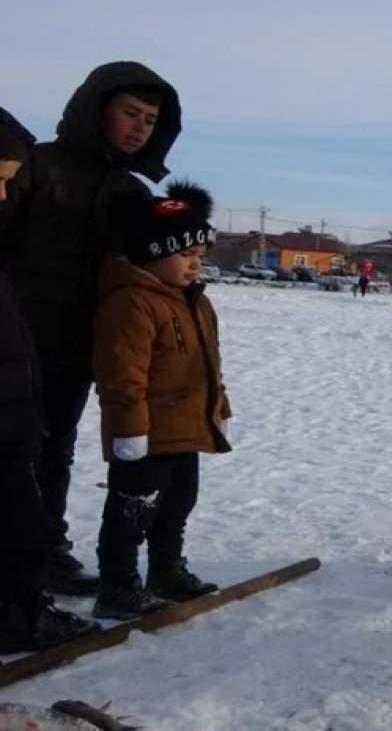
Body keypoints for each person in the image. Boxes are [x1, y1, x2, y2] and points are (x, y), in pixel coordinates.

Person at [0, 62, 182, 596]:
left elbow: (151, 268)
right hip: (17, 340)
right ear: (96, 107)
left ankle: (46, 552)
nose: (140, 128)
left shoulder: (131, 191)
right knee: (13, 452)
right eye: (130, 113)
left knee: (55, 450)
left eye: (150, 120)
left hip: (80, 345)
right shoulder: (37, 166)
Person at [90, 181, 231, 619]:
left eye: (199, 256)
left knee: (177, 504)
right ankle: (118, 585)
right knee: (133, 511)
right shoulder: (131, 304)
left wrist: (218, 410)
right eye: (184, 255)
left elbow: (210, 364)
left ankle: (166, 570)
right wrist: (130, 430)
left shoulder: (193, 302)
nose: (194, 265)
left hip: (186, 428)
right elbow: (121, 378)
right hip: (146, 433)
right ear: (153, 253)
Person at [0, 108, 102, 652]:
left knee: (27, 518)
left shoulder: (120, 187)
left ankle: (24, 605)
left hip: (28, 389)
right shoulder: (47, 177)